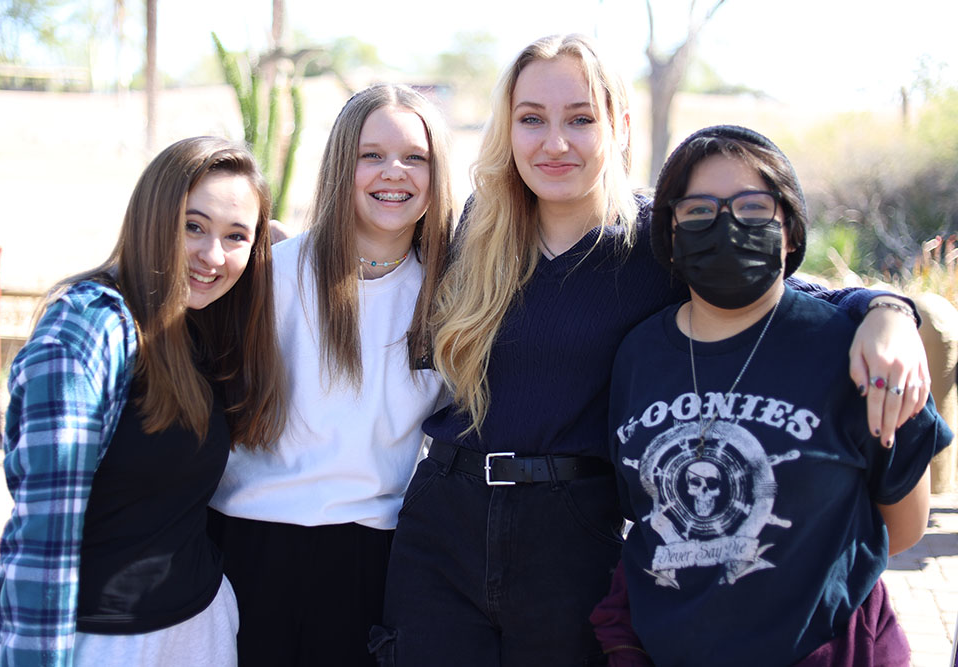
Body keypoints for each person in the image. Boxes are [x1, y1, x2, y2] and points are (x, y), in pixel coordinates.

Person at [375, 34, 932, 667]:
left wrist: (889, 311)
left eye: (580, 119)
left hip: (575, 529)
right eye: (531, 119)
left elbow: (790, 290)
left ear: (619, 126)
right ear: (508, 129)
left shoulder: (659, 242)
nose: (554, 142)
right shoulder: (477, 228)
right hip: (443, 516)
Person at [590, 124, 952, 666]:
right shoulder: (638, 353)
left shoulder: (857, 352)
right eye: (699, 211)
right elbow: (641, 509)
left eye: (753, 208)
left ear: (789, 229)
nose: (727, 225)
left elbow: (900, 529)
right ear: (669, 233)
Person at [0, 137, 287, 666]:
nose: (212, 255)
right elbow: (44, 528)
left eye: (234, 236)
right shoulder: (87, 328)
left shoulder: (202, 327)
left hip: (201, 629)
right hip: (104, 643)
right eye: (193, 226)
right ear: (152, 216)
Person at [207, 83, 454, 667]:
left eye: (414, 157)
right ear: (343, 163)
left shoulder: (451, 297)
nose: (393, 172)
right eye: (372, 154)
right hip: (247, 545)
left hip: (372, 558)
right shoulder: (268, 274)